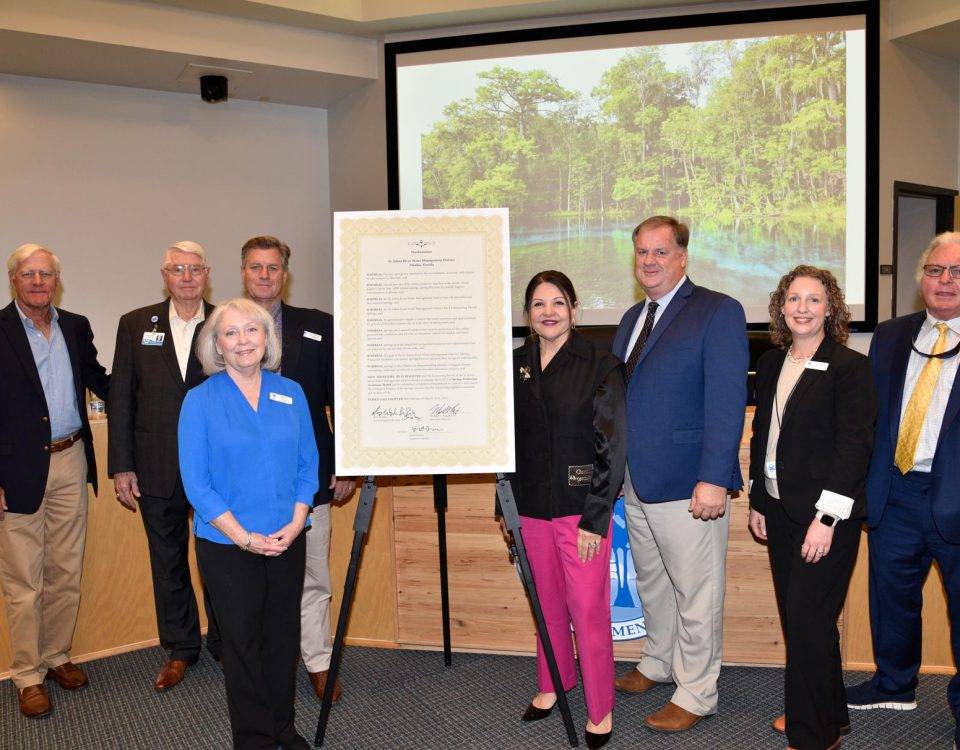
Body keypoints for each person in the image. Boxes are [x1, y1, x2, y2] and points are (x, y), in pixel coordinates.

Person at [612, 215, 748, 732]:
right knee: (653, 582)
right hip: (637, 481)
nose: (649, 261)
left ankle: (696, 693)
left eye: (660, 252)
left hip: (692, 485)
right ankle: (659, 661)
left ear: (682, 256)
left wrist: (715, 476)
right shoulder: (630, 318)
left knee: (696, 591)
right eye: (642, 252)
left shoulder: (718, 311)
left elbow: (727, 400)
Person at [178, 297, 318, 750]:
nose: (243, 341)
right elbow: (196, 485)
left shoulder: (291, 392)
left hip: (286, 538)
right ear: (216, 345)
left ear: (267, 337)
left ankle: (283, 729)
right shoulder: (198, 402)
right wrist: (244, 538)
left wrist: (296, 525)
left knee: (282, 640)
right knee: (242, 645)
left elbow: (308, 466)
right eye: (231, 333)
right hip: (227, 546)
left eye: (252, 330)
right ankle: (255, 739)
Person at [748, 266, 876, 750]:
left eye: (814, 299)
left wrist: (827, 518)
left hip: (826, 519)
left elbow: (854, 448)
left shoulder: (849, 367)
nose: (802, 307)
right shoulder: (773, 363)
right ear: (782, 306)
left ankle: (811, 733)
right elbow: (763, 435)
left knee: (808, 620)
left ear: (831, 309)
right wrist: (760, 500)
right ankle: (829, 714)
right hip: (780, 512)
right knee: (805, 621)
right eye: (794, 298)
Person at [845, 231, 960, 749]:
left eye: (957, 272)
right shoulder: (891, 336)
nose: (944, 281)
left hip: (955, 495)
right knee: (892, 596)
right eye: (935, 270)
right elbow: (868, 416)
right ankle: (895, 682)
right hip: (895, 491)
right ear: (921, 278)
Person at [507, 270, 625, 750]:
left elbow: (613, 449)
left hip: (581, 513)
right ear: (527, 315)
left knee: (588, 613)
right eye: (538, 304)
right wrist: (507, 511)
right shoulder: (514, 365)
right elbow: (506, 444)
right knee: (547, 607)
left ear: (574, 310)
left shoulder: (601, 364)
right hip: (529, 508)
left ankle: (601, 710)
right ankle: (554, 682)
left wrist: (597, 519)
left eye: (558, 302)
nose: (548, 312)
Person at [240, 235, 355, 703]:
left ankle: (318, 663)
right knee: (253, 581)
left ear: (285, 274)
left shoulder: (318, 327)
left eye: (273, 267)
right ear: (243, 273)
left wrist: (346, 462)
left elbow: (341, 401)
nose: (264, 275)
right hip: (244, 483)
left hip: (309, 479)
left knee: (313, 576)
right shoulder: (225, 327)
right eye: (255, 267)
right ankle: (266, 662)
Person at [0, 243, 110, 718]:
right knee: (24, 580)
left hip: (71, 460)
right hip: (16, 468)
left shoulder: (76, 325)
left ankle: (56, 656)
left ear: (56, 280)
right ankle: (27, 675)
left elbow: (101, 379)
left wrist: (158, 396)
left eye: (46, 274)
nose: (39, 282)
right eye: (29, 274)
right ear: (14, 280)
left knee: (66, 570)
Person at [108, 240, 221, 691]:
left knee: (220, 557)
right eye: (178, 268)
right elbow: (121, 397)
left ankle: (227, 643)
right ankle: (181, 647)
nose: (187, 276)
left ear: (207, 273)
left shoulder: (226, 321)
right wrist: (122, 465)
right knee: (168, 560)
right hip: (155, 465)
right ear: (165, 274)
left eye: (194, 268)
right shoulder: (135, 324)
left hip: (216, 466)